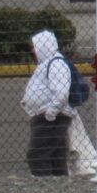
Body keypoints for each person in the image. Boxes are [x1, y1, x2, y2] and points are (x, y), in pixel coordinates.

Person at [22, 29, 73, 176]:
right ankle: (59, 187)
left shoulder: (56, 63)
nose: (33, 50)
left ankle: (45, 186)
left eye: (35, 46)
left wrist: (50, 113)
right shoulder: (48, 63)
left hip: (51, 118)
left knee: (37, 155)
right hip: (49, 116)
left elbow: (62, 92)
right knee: (55, 157)